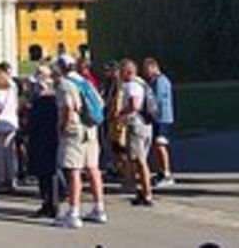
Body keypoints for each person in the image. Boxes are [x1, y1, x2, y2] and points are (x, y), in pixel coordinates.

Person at [54, 56, 107, 227]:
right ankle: (99, 208)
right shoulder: (84, 82)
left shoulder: (65, 84)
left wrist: (61, 127)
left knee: (74, 170)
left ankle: (73, 212)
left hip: (74, 129)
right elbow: (100, 102)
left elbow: (67, 107)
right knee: (93, 168)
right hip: (90, 128)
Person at [25, 65, 61, 219]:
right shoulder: (46, 100)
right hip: (43, 138)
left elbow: (34, 121)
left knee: (49, 173)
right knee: (43, 173)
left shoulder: (46, 100)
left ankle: (52, 204)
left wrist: (27, 130)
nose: (35, 87)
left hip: (45, 138)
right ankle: (47, 203)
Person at [117, 59, 153, 208]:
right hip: (145, 124)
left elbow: (135, 105)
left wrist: (121, 113)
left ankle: (146, 193)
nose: (119, 74)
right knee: (138, 160)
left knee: (140, 160)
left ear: (128, 72)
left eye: (121, 71)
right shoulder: (141, 83)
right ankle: (142, 191)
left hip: (137, 125)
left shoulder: (132, 85)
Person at [142, 57, 175, 187]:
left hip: (162, 118)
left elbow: (157, 100)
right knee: (157, 146)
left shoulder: (161, 81)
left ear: (154, 67)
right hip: (157, 117)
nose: (146, 73)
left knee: (160, 144)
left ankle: (167, 174)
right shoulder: (154, 81)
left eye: (147, 69)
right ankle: (161, 171)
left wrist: (150, 113)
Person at [0, 64, 20, 192]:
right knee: (10, 153)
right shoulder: (12, 89)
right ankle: (12, 178)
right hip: (11, 121)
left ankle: (0, 178)